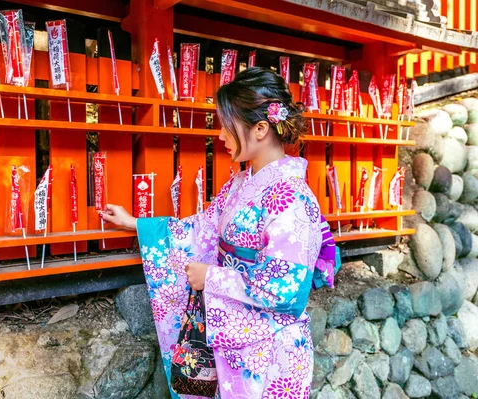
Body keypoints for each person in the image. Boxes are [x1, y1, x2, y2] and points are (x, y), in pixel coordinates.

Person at [101, 67, 338, 399]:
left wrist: (211, 278)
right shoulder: (240, 184)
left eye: (227, 127)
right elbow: (200, 231)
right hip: (233, 341)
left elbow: (286, 290)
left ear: (259, 129)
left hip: (271, 352)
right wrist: (135, 224)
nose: (221, 136)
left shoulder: (293, 198)